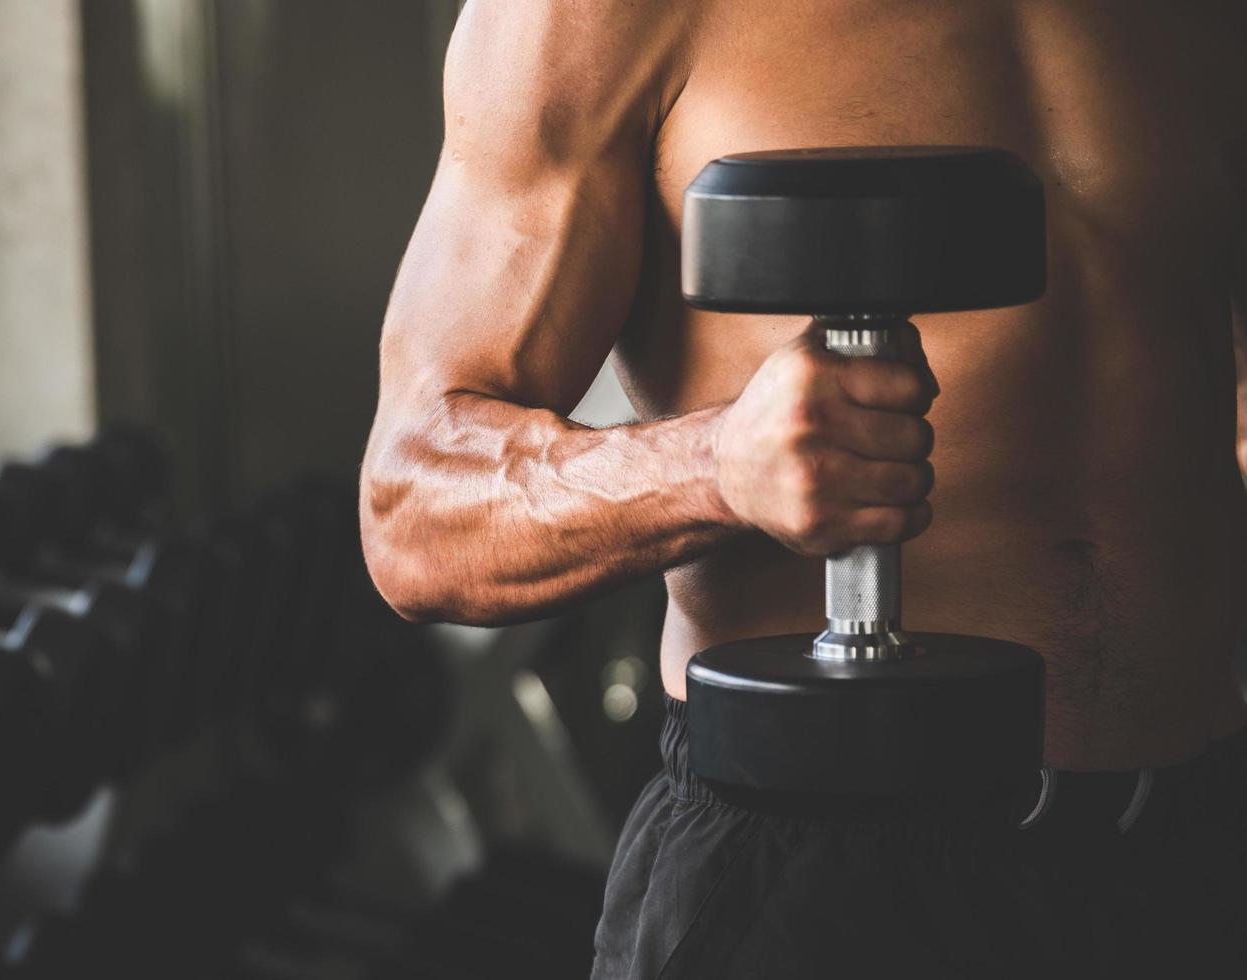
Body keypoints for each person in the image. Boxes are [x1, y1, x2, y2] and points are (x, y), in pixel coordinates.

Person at [359, 1, 1247, 975]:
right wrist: (714, 466)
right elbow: (412, 507)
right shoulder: (587, 18)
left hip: (1193, 839)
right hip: (821, 872)